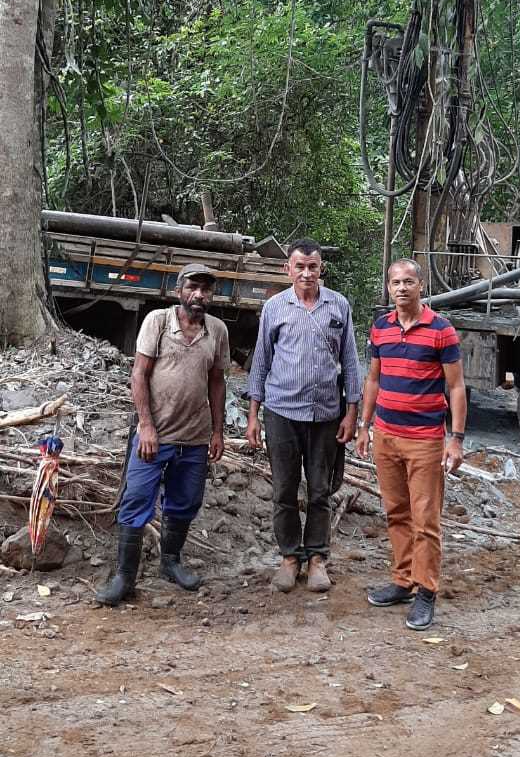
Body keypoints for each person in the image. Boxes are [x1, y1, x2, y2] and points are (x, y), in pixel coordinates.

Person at [96, 263, 229, 607]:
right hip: (154, 435)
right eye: (192, 287)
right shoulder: (157, 321)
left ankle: (171, 562)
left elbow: (217, 381)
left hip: (195, 437)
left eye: (205, 289)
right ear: (178, 290)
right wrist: (146, 426)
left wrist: (217, 431)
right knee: (137, 499)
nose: (199, 294)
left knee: (184, 503)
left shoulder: (216, 330)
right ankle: (125, 576)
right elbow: (139, 375)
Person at [246, 239, 362, 593]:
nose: (307, 273)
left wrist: (352, 413)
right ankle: (289, 558)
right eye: (300, 267)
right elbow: (261, 361)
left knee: (320, 491)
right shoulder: (274, 307)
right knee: (283, 489)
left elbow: (351, 362)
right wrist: (253, 415)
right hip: (281, 412)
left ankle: (316, 559)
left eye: (313, 266)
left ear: (320, 268)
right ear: (289, 269)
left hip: (327, 414)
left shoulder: (338, 306)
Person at [356, 258, 466, 630]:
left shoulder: (441, 330)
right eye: (395, 283)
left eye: (408, 282)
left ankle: (426, 591)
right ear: (388, 288)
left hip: (425, 441)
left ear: (421, 286)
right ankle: (403, 581)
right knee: (396, 512)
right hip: (386, 437)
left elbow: (456, 387)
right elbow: (373, 380)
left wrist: (456, 439)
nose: (401, 288)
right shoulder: (381, 328)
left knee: (426, 520)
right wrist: (364, 426)